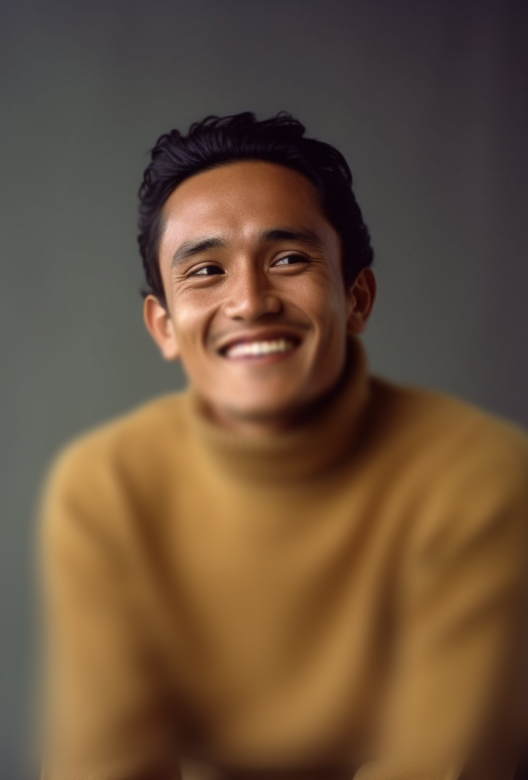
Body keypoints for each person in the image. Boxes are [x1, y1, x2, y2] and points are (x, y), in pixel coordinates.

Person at [38, 112, 528, 780]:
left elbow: (444, 763)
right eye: (205, 270)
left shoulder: (484, 476)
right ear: (164, 327)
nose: (250, 300)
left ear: (357, 297)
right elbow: (107, 763)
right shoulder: (108, 484)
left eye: (290, 259)